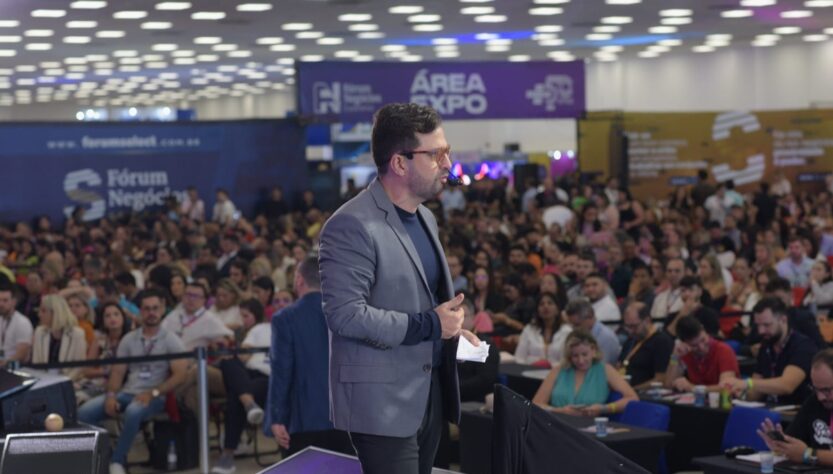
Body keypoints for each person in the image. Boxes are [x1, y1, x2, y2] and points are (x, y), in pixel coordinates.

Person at [318, 103, 479, 474]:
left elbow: (422, 302)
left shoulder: (425, 216)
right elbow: (344, 315)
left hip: (428, 393)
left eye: (447, 152)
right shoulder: (351, 225)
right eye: (436, 154)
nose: (447, 163)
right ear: (400, 163)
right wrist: (428, 325)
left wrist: (449, 330)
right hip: (382, 401)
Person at [77, 289, 188, 474]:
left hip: (155, 396)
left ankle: (117, 461)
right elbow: (117, 373)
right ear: (140, 312)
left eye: (155, 308)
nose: (151, 313)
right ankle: (106, 454)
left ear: (161, 310)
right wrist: (111, 395)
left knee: (133, 411)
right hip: (127, 392)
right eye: (147, 309)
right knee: (83, 413)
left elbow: (180, 374)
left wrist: (153, 393)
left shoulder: (171, 340)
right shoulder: (129, 339)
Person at [268, 257, 353, 458]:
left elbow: (282, 370)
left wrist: (277, 416)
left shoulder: (285, 318)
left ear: (299, 279)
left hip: (303, 417)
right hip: (348, 417)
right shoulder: (349, 313)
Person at [212, 299, 272, 474]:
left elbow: (243, 357)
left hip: (263, 377)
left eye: (245, 316)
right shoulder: (272, 329)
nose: (242, 320)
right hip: (255, 378)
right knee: (235, 380)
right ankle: (249, 404)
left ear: (256, 315)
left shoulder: (258, 329)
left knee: (232, 383)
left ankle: (227, 455)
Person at [725, 297, 818, 406]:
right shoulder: (766, 346)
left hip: (795, 413)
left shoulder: (802, 346)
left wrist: (746, 383)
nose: (761, 331)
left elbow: (786, 386)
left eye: (766, 325)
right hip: (769, 409)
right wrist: (740, 393)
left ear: (783, 320)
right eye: (758, 325)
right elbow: (756, 392)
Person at [532, 330, 637, 416]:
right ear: (569, 356)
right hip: (558, 424)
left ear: (594, 351)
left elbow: (632, 398)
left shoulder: (605, 370)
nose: (580, 360)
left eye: (584, 354)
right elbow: (536, 404)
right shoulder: (558, 370)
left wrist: (604, 408)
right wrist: (560, 411)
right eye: (575, 356)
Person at [757, 349, 833, 467]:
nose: (820, 397)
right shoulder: (814, 402)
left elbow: (803, 453)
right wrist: (781, 446)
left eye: (827, 390)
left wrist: (807, 454)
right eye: (816, 389)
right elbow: (794, 439)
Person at [665, 316, 739, 392]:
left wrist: (693, 388)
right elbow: (668, 385)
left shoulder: (724, 350)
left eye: (703, 340)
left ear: (704, 330)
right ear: (684, 343)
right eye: (694, 345)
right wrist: (675, 356)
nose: (701, 347)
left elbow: (727, 387)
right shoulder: (686, 352)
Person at [618, 301, 674, 389]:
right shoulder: (631, 340)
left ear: (647, 321)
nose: (630, 331)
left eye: (634, 326)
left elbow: (660, 379)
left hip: (644, 394)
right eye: (627, 327)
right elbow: (619, 365)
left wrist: (633, 390)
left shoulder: (661, 341)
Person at [32, 294, 88, 382]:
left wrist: (63, 383)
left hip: (69, 381)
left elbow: (78, 367)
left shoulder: (77, 334)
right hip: (44, 380)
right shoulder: (39, 332)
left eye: (43, 311)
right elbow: (36, 363)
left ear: (55, 312)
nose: (39, 315)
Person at [514, 292, 572, 366]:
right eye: (541, 304)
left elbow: (567, 361)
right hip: (529, 373)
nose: (546, 306)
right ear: (537, 311)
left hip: (556, 374)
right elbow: (519, 358)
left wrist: (547, 365)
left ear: (557, 310)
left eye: (550, 303)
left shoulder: (567, 332)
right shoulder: (529, 329)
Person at [563, 298, 621, 365]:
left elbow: (600, 368)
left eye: (577, 325)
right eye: (572, 325)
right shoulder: (577, 335)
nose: (574, 329)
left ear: (590, 317)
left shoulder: (606, 338)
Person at [0, 283, 33, 367]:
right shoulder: (1, 319)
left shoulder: (22, 322)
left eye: (5, 300)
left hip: (16, 368)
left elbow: (22, 353)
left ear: (14, 302)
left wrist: (5, 362)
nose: (1, 304)